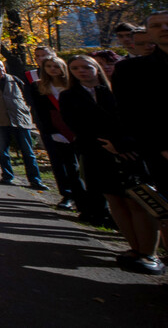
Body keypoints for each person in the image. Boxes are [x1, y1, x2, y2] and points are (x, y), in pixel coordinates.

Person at [60, 55, 163, 275]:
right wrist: (102, 145)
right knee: (115, 201)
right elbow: (75, 124)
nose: (82, 71)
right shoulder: (69, 96)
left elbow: (135, 120)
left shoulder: (117, 91)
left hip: (128, 152)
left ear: (96, 68)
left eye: (86, 67)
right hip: (96, 153)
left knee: (138, 201)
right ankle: (134, 248)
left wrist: (122, 144)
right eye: (76, 68)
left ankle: (149, 252)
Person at [112, 11, 168, 241]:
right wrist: (161, 147)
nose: (164, 28)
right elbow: (131, 114)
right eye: (156, 25)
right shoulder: (131, 71)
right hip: (161, 153)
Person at [0, 59, 49, 190]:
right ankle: (7, 176)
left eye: (1, 66)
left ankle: (35, 180)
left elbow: (26, 97)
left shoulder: (14, 79)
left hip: (19, 119)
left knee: (28, 152)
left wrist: (25, 109)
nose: (1, 69)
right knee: (3, 151)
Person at [28, 57, 89, 211]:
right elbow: (40, 112)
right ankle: (71, 196)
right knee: (67, 166)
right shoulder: (40, 87)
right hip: (56, 130)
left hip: (78, 129)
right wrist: (51, 131)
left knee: (85, 167)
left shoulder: (74, 85)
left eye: (56, 66)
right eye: (48, 66)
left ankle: (88, 200)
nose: (52, 69)